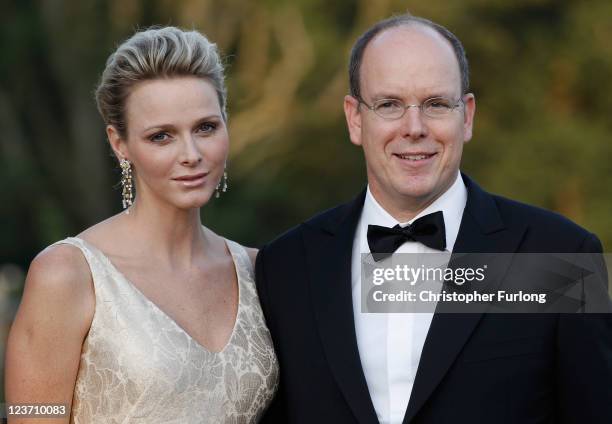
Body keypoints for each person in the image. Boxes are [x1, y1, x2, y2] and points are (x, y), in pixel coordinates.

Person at [255, 14, 612, 424]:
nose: (414, 128)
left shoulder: (559, 256)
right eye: (389, 104)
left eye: (436, 104)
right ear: (355, 118)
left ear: (468, 116)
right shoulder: (287, 265)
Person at [5, 27, 278, 423]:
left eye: (205, 127)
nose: (191, 154)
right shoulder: (66, 275)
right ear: (120, 144)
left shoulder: (258, 271)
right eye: (161, 136)